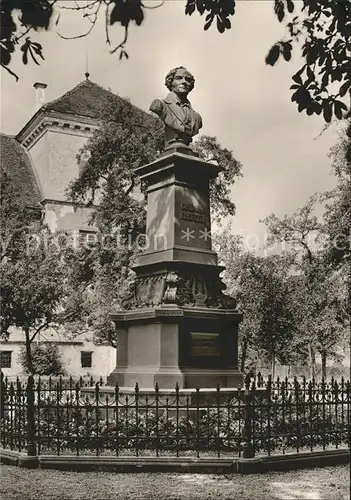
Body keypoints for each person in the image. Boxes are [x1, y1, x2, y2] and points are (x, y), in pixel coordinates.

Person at [150, 66, 203, 147]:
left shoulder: (197, 118)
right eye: (179, 78)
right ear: (170, 82)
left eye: (188, 79)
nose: (184, 82)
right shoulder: (159, 105)